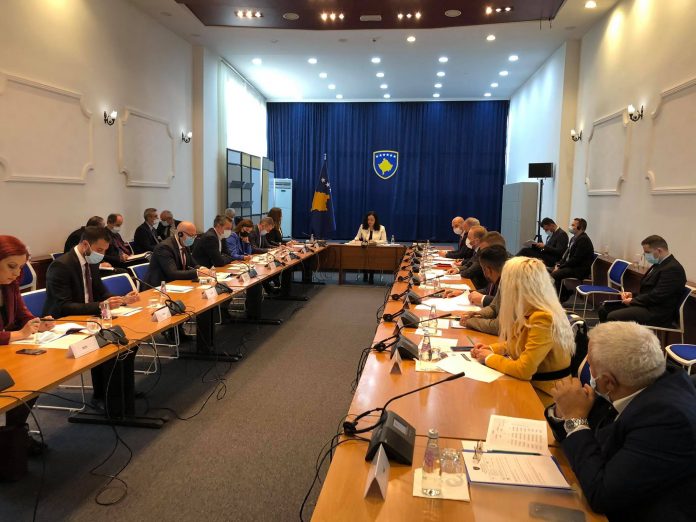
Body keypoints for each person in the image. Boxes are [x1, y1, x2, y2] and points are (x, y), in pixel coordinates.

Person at [545, 321, 696, 521]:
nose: (588, 373)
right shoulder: (637, 379)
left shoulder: (668, 419)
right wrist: (566, 409)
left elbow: (601, 494)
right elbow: (578, 435)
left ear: (608, 382)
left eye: (590, 366)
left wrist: (574, 418)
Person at [44, 226, 140, 410]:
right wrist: (101, 305)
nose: (101, 255)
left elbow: (101, 292)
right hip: (65, 322)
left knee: (128, 339)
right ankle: (103, 395)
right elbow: (63, 306)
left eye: (104, 251)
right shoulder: (61, 266)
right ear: (85, 244)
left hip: (90, 316)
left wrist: (120, 299)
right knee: (108, 343)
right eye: (99, 250)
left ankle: (123, 389)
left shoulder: (92, 261)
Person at [471, 256, 576, 405]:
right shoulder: (531, 310)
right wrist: (491, 349)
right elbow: (518, 343)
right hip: (531, 386)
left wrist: (489, 358)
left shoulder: (543, 318)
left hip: (546, 396)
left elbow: (524, 370)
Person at [0, 236, 55, 471]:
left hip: (6, 352)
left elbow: (22, 313)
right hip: (6, 347)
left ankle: (13, 436)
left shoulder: (10, 283)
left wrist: (36, 323)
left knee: (32, 381)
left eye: (20, 267)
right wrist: (18, 334)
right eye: (11, 266)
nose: (16, 274)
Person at [598, 235, 687, 325]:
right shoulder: (659, 264)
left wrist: (633, 301)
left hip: (657, 312)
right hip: (647, 305)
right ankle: (605, 334)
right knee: (604, 309)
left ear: (659, 251)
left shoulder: (673, 269)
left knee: (613, 316)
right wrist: (632, 295)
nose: (645, 255)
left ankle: (618, 335)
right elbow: (649, 291)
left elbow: (658, 296)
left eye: (647, 252)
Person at [458, 244, 509, 336]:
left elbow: (499, 326)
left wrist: (470, 322)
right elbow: (494, 307)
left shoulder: (511, 284)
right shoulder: (502, 279)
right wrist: (477, 314)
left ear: (487, 270)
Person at [146, 222, 212, 286]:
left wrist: (202, 269)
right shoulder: (164, 247)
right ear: (180, 234)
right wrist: (198, 272)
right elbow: (172, 273)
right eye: (190, 235)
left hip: (177, 284)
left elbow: (193, 264)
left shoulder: (184, 245)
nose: (193, 238)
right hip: (160, 286)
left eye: (194, 236)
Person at [551, 218, 595, 301]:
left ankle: (563, 296)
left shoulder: (584, 240)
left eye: (573, 225)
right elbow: (566, 256)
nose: (570, 227)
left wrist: (560, 267)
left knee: (555, 275)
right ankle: (565, 293)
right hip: (572, 266)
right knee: (549, 271)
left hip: (579, 269)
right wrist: (558, 264)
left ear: (580, 228)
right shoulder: (573, 238)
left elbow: (575, 259)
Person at [354, 211, 387, 284]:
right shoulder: (362, 226)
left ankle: (371, 275)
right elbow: (357, 237)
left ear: (375, 220)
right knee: (363, 255)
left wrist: (375, 242)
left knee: (372, 257)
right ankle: (365, 273)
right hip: (364, 248)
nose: (369, 221)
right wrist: (357, 240)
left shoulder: (381, 228)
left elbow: (384, 241)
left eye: (372, 220)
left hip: (375, 250)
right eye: (368, 219)